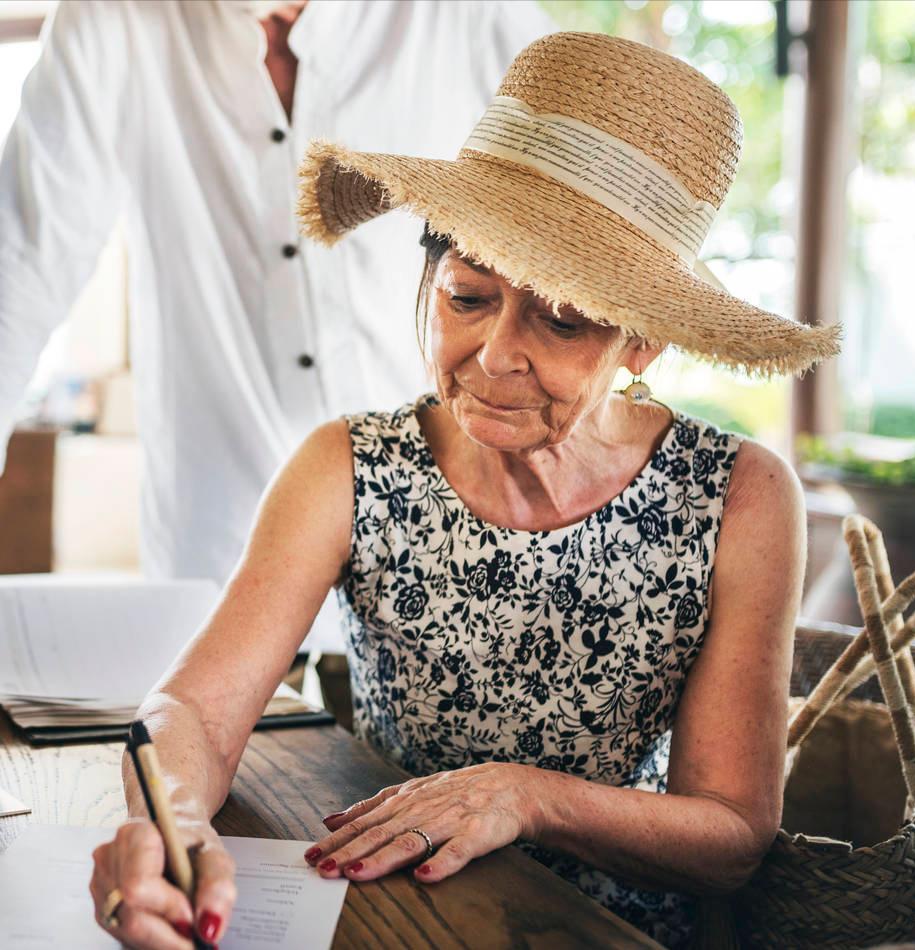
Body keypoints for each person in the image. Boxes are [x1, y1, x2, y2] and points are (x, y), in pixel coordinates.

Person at [88, 31, 841, 950]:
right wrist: (166, 825)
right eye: (466, 297)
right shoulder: (350, 466)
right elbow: (192, 712)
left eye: (561, 319)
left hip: (607, 932)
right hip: (392, 912)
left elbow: (729, 835)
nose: (493, 356)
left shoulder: (739, 496)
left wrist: (525, 797)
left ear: (640, 342)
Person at [0, 0, 553, 650]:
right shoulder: (110, 18)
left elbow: (580, 224)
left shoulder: (466, 13)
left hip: (444, 558)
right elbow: (19, 272)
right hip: (218, 561)